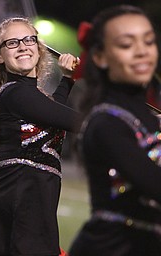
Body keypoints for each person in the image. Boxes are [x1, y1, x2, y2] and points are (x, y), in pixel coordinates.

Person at [0, 17, 81, 256]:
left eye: (28, 39)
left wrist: (67, 78)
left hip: (28, 205)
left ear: (39, 47)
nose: (23, 46)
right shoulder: (15, 94)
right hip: (11, 210)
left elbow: (53, 111)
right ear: (0, 56)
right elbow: (74, 121)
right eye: (12, 43)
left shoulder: (32, 98)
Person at [68, 5, 161, 256]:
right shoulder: (106, 122)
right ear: (100, 57)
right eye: (126, 44)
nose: (142, 51)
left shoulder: (149, 118)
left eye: (148, 41)